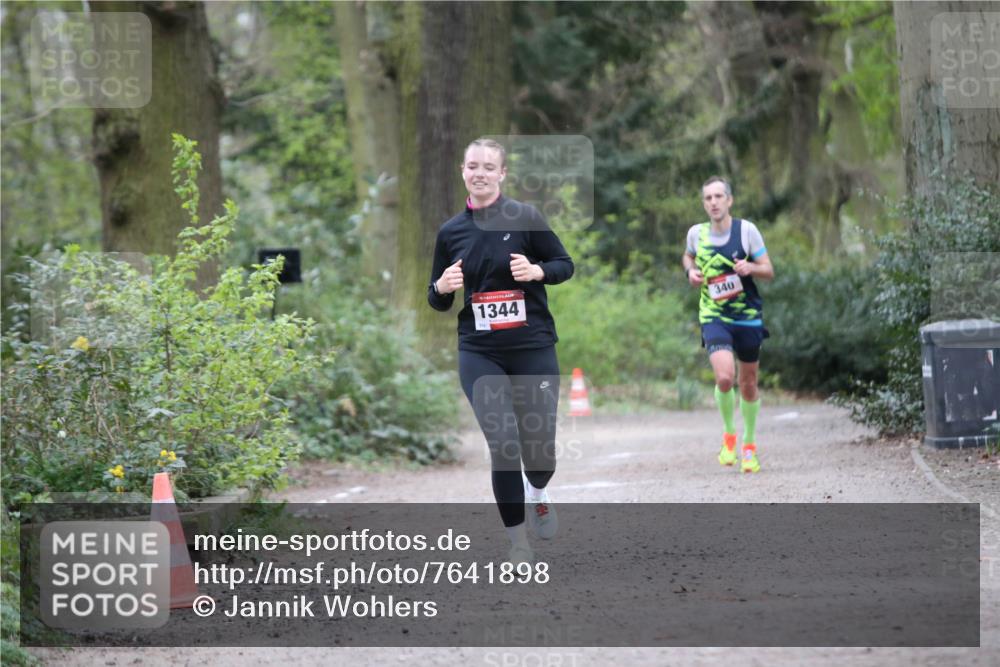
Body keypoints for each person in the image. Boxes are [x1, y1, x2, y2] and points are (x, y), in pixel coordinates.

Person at [428, 138, 574, 563]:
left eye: (488, 167)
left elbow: (565, 264)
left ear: (502, 174)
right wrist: (441, 288)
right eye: (473, 165)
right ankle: (517, 544)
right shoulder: (450, 232)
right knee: (504, 443)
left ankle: (540, 490)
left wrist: (538, 270)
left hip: (532, 346)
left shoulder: (526, 217)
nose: (480, 173)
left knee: (539, 449)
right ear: (462, 171)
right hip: (479, 350)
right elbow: (436, 297)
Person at [682, 176, 774, 473]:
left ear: (729, 200)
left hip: (747, 317)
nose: (713, 202)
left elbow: (768, 270)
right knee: (724, 378)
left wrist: (751, 268)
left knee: (748, 385)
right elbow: (688, 257)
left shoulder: (746, 231)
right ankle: (729, 436)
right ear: (704, 203)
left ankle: (749, 444)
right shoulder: (696, 233)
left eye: (719, 196)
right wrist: (691, 272)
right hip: (713, 316)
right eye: (708, 198)